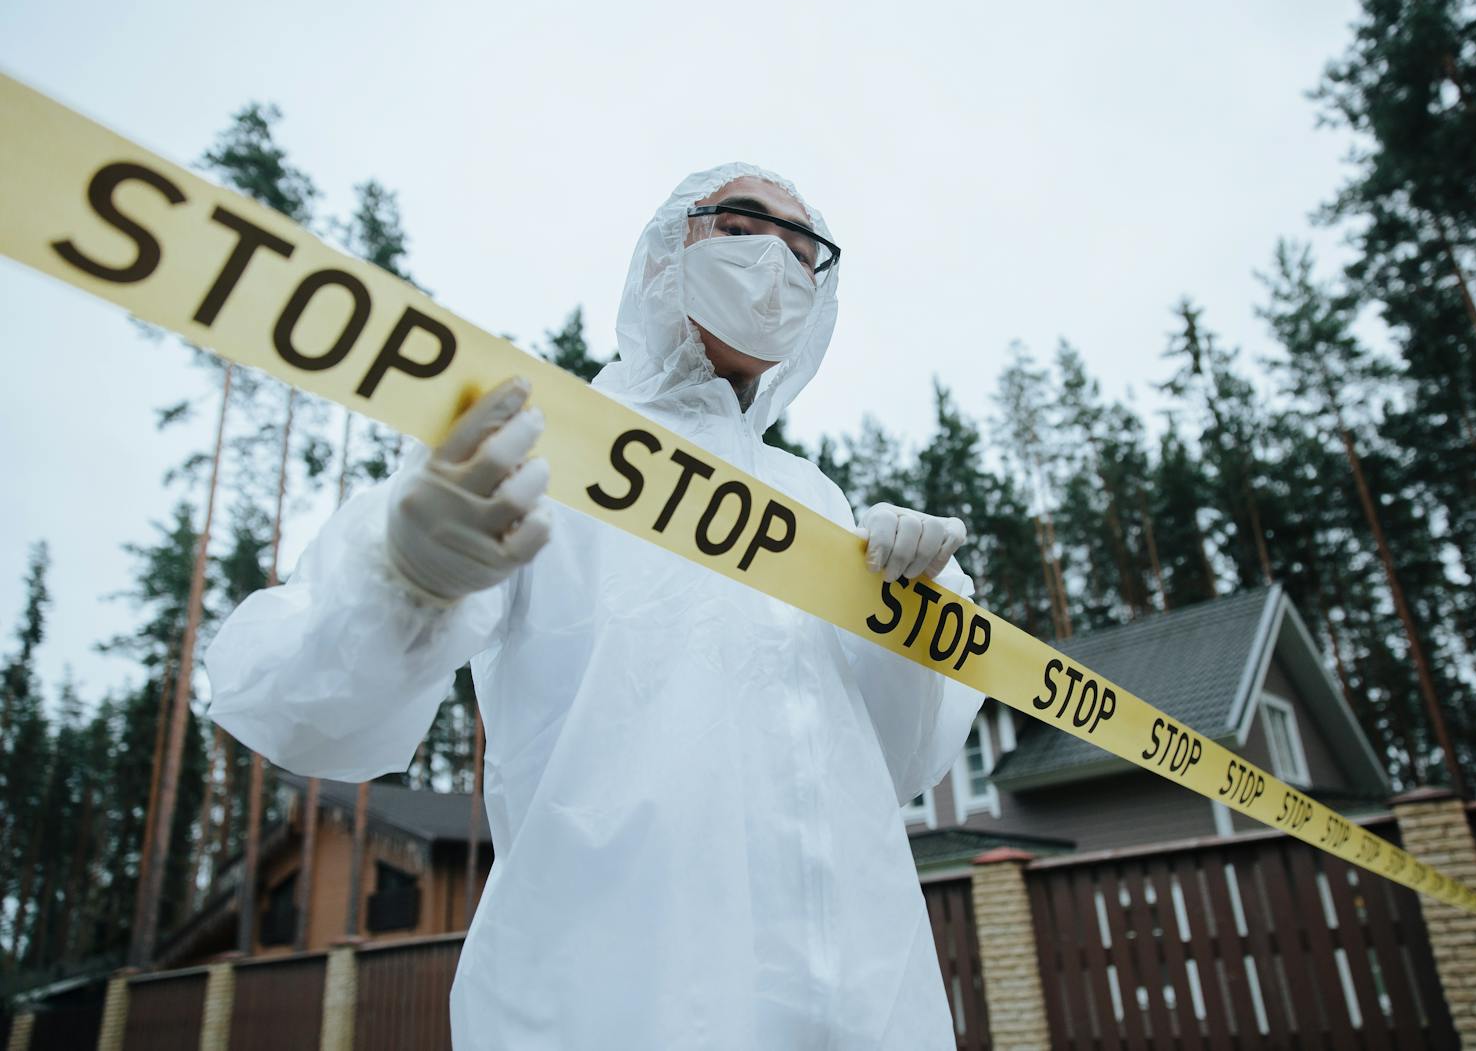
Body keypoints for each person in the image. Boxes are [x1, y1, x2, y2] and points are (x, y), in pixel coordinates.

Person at [206, 162, 984, 1049]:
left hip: (868, 1010)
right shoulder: (558, 446)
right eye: (741, 227)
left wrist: (919, 625)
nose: (777, 261)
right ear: (665, 253)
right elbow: (305, 709)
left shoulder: (817, 504)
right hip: (616, 1003)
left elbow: (903, 758)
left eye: (807, 253)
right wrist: (402, 575)